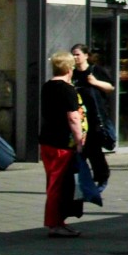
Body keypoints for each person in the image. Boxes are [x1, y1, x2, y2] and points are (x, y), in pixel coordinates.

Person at [39, 51, 86, 237]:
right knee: (57, 185)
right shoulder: (68, 89)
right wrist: (79, 141)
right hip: (61, 143)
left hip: (47, 141)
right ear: (68, 68)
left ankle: (59, 221)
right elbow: (73, 117)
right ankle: (54, 224)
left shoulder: (47, 86)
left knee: (53, 182)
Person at [71, 44, 114, 188]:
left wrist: (95, 82)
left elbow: (110, 87)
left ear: (86, 55)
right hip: (78, 118)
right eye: (73, 55)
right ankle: (81, 182)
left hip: (95, 117)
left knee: (94, 150)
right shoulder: (72, 74)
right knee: (78, 152)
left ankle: (102, 177)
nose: (75, 57)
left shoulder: (96, 71)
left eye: (77, 54)